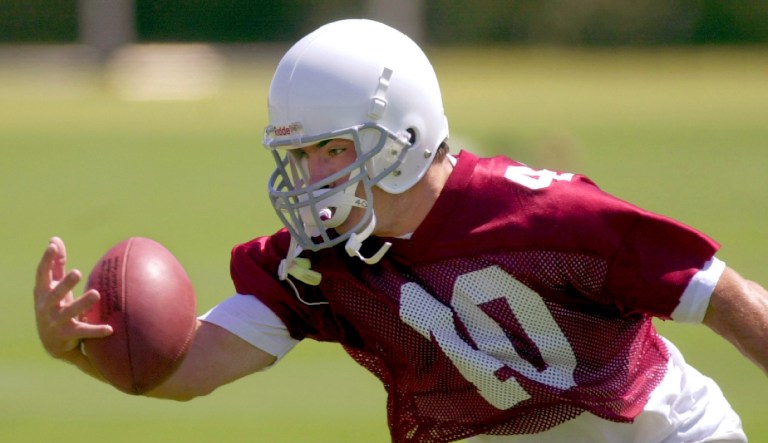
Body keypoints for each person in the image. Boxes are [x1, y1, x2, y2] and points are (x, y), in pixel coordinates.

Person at [34, 19, 767, 443]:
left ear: (405, 136)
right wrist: (78, 349)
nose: (312, 177)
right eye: (300, 155)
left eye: (332, 149)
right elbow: (185, 369)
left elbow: (725, 296)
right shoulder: (319, 263)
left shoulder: (547, 215)